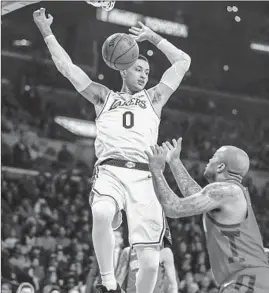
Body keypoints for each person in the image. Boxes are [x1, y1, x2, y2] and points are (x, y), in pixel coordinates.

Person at [33, 7, 191, 293]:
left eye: (147, 71)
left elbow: (183, 60)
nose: (143, 75)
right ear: (123, 66)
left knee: (150, 260)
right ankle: (108, 283)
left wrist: (153, 37)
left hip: (146, 176)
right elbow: (67, 68)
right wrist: (47, 32)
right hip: (111, 169)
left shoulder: (154, 98)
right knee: (102, 213)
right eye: (138, 69)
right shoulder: (103, 97)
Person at [145, 138, 269, 293]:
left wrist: (156, 171)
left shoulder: (225, 191)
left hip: (247, 281)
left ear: (221, 166)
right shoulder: (231, 193)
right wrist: (174, 162)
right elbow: (196, 196)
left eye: (213, 157)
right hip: (250, 279)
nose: (209, 160)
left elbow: (173, 207)